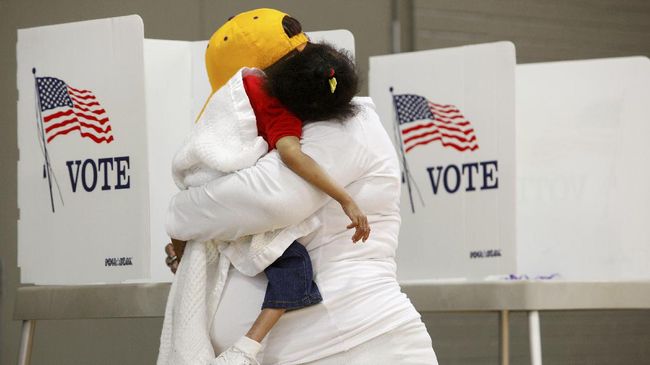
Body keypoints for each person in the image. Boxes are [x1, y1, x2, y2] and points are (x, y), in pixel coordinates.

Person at [164, 8, 438, 365]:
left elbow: (269, 199)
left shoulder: (348, 124)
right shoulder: (287, 134)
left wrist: (178, 212)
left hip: (355, 345)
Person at [172, 42, 370, 364]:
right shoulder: (284, 117)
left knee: (186, 223)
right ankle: (247, 347)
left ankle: (179, 253)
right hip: (220, 188)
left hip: (193, 182)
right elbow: (292, 157)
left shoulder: (249, 80)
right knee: (295, 268)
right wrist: (346, 199)